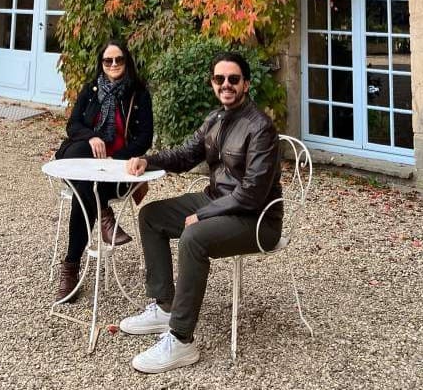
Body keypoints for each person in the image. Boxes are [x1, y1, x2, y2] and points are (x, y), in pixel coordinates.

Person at [121, 52, 282, 373]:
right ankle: (165, 306)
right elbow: (185, 155)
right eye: (220, 79)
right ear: (212, 83)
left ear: (246, 84)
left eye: (233, 79)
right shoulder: (215, 119)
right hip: (217, 201)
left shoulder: (261, 127)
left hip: (257, 219)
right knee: (151, 216)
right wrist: (148, 160)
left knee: (193, 237)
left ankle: (181, 340)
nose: (226, 85)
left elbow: (252, 192)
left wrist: (205, 215)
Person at [54, 39, 153, 302]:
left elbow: (144, 138)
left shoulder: (139, 94)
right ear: (101, 63)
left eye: (118, 59)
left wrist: (113, 159)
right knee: (80, 155)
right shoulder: (91, 90)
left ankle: (70, 267)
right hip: (88, 164)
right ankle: (104, 214)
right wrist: (92, 137)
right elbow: (73, 126)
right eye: (108, 60)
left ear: (126, 62)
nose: (113, 64)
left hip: (118, 172)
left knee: (83, 194)